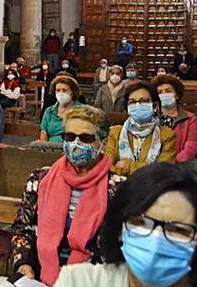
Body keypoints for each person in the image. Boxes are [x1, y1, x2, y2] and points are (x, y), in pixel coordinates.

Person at [55, 163, 197, 287]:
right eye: (140, 222)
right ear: (120, 229)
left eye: (178, 229)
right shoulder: (78, 282)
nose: (156, 241)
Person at [12, 106, 122, 285]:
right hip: (41, 274)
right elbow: (22, 229)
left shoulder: (117, 188)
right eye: (70, 137)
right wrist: (23, 262)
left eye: (85, 138)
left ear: (103, 141)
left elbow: (119, 247)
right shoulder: (40, 179)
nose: (76, 144)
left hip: (91, 278)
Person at [105, 81, 176, 176]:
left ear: (154, 106)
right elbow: (106, 165)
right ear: (127, 108)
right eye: (132, 102)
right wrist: (146, 167)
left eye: (143, 101)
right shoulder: (115, 132)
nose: (137, 105)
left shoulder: (166, 135)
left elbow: (162, 171)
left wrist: (127, 165)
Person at [154, 74, 197, 163]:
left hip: (177, 165)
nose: (164, 94)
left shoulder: (190, 118)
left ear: (177, 95)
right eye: (160, 92)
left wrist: (172, 162)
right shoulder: (151, 116)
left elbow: (191, 146)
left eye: (168, 91)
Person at [40, 75, 82, 143]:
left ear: (72, 92)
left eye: (64, 90)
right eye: (58, 90)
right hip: (51, 148)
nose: (61, 93)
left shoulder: (81, 111)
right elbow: (43, 132)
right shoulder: (49, 111)